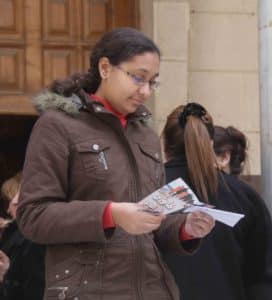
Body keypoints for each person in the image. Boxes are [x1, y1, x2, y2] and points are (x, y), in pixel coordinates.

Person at [16, 28, 214, 300]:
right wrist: (111, 214)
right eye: (137, 77)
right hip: (88, 291)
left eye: (152, 82)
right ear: (105, 67)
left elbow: (153, 220)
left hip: (154, 290)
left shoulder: (144, 133)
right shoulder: (58, 125)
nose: (145, 91)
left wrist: (185, 228)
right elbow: (32, 216)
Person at [162, 102, 272, 300]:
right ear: (210, 143)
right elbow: (261, 276)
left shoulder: (143, 191)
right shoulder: (244, 196)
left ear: (164, 144)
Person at [0, 172, 45, 300]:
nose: (8, 210)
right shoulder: (12, 234)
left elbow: (34, 290)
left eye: (10, 200)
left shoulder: (31, 239)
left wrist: (7, 274)